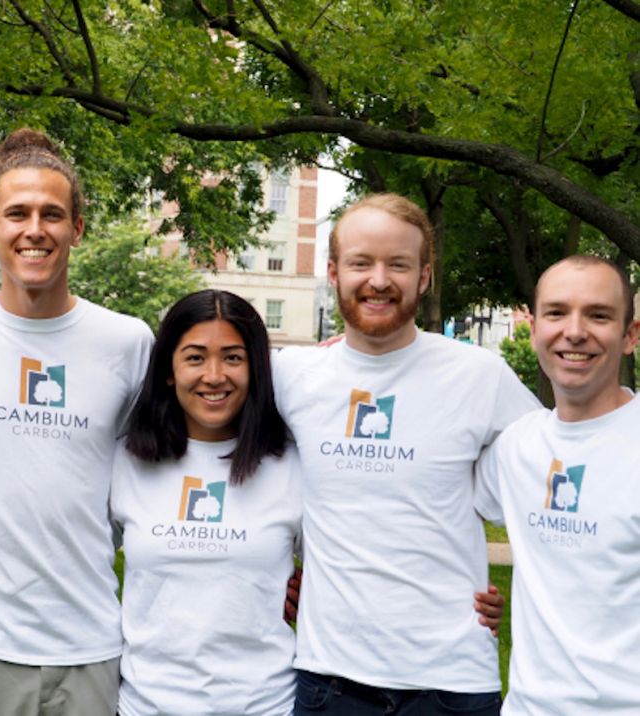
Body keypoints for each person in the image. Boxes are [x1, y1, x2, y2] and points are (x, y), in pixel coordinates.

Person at [0, 129, 153, 715]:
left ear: (78, 229)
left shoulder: (127, 342)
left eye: (52, 214)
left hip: (89, 643)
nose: (34, 229)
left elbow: (156, 470)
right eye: (17, 213)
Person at [272, 193, 540, 715]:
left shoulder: (479, 376)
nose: (378, 280)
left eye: (398, 264)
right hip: (330, 678)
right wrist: (271, 572)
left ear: (424, 277)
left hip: (452, 682)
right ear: (332, 272)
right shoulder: (292, 376)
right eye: (360, 263)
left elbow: (558, 480)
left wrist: (532, 596)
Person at [110, 289, 301, 715]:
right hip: (146, 705)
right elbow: (79, 563)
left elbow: (346, 570)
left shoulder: (292, 467)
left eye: (233, 357)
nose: (214, 376)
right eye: (195, 358)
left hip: (266, 705)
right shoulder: (125, 462)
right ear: (168, 371)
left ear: (256, 369)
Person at [475, 255, 640, 714]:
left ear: (631, 335)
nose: (574, 330)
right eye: (556, 312)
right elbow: (436, 504)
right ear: (532, 328)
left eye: (599, 315)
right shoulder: (515, 447)